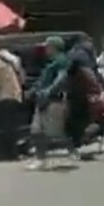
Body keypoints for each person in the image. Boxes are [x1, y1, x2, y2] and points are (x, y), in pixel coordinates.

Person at [26, 36, 70, 170]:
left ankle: (71, 151)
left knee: (52, 132)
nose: (45, 49)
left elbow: (61, 77)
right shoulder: (50, 62)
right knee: (37, 130)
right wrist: (33, 90)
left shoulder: (61, 60)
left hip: (52, 99)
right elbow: (43, 79)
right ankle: (41, 159)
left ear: (54, 47)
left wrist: (49, 90)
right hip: (43, 99)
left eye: (47, 47)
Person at [0, 47, 24, 159]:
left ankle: (5, 154)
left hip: (3, 97)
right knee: (12, 127)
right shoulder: (14, 61)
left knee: (3, 128)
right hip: (16, 96)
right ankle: (14, 152)